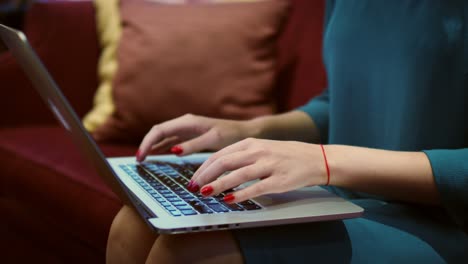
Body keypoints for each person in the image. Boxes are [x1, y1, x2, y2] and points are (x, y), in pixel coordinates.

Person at [106, 1, 468, 263]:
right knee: (134, 223)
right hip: (348, 197)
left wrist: (327, 161)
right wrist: (247, 130)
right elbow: (339, 102)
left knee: (192, 251)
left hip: (445, 219)